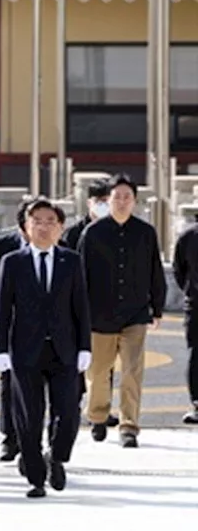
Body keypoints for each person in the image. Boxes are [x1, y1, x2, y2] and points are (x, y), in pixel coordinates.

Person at [0, 199, 91, 498]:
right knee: (29, 416)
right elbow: (3, 309)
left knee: (68, 413)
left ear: (60, 227)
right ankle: (36, 478)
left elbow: (81, 308)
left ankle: (57, 457)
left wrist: (85, 346)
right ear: (26, 226)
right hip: (25, 350)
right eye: (37, 220)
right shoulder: (12, 262)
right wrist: (0, 348)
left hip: (65, 349)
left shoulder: (71, 261)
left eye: (51, 221)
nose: (44, 226)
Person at [77, 175, 165, 448]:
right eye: (117, 197)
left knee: (132, 371)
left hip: (135, 313)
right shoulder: (92, 234)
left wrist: (157, 307)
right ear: (108, 200)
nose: (122, 202)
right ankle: (98, 416)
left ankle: (129, 426)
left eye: (128, 197)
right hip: (99, 313)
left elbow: (155, 271)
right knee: (99, 371)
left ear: (135, 201)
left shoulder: (146, 232)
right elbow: (80, 276)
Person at [0, 201, 30, 462]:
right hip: (12, 326)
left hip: (46, 328)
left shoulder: (59, 246)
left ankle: (35, 438)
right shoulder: (5, 247)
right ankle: (9, 437)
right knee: (9, 383)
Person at [171, 217, 198, 424]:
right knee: (196, 355)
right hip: (196, 305)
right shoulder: (188, 237)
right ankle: (197, 403)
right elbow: (179, 270)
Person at [61, 179, 111, 250]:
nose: (102, 205)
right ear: (89, 203)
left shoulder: (116, 230)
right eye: (97, 201)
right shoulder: (74, 233)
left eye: (105, 201)